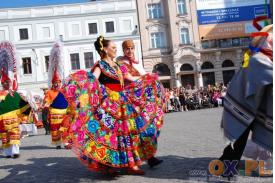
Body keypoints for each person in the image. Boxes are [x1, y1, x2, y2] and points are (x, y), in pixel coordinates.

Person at [62, 36, 165, 175]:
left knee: (130, 133)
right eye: (113, 48)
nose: (116, 50)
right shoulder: (100, 65)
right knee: (108, 136)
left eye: (116, 48)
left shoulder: (118, 66)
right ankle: (108, 165)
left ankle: (132, 164)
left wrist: (148, 78)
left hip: (123, 103)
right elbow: (92, 80)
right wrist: (83, 85)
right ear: (105, 49)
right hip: (108, 105)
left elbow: (131, 78)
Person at [219, 22, 273, 177]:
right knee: (239, 136)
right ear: (268, 40)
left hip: (254, 105)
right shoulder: (260, 59)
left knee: (245, 136)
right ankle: (227, 168)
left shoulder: (266, 58)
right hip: (242, 104)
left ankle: (225, 161)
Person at [117, 39, 164, 167]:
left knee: (148, 128)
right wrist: (146, 77)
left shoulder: (137, 63)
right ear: (124, 50)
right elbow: (128, 78)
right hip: (129, 102)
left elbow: (145, 77)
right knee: (134, 132)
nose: (130, 51)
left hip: (141, 101)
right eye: (127, 48)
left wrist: (150, 78)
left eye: (132, 48)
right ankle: (134, 160)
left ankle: (150, 157)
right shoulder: (121, 62)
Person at [0, 41, 31, 158]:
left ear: (10, 82)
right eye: (5, 82)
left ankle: (15, 152)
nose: (7, 84)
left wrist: (25, 115)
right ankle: (8, 153)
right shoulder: (0, 95)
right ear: (2, 83)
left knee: (14, 135)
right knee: (5, 136)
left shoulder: (15, 95)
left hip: (14, 120)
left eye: (8, 82)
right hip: (2, 121)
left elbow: (24, 105)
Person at [43, 42, 68, 149]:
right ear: (53, 84)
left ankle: (66, 143)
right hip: (54, 114)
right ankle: (58, 143)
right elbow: (47, 101)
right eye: (55, 83)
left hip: (65, 113)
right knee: (56, 129)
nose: (57, 84)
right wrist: (45, 106)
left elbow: (69, 100)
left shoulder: (65, 90)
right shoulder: (50, 92)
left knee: (66, 128)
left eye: (58, 82)